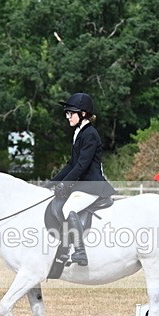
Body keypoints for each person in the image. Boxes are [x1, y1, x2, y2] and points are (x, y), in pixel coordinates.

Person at [44, 92, 116, 266]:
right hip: (82, 184)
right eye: (67, 113)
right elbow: (71, 164)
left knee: (69, 208)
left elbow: (82, 166)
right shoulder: (79, 132)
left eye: (71, 113)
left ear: (83, 114)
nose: (67, 116)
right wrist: (52, 183)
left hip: (92, 185)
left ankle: (80, 252)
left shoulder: (90, 134)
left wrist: (65, 184)